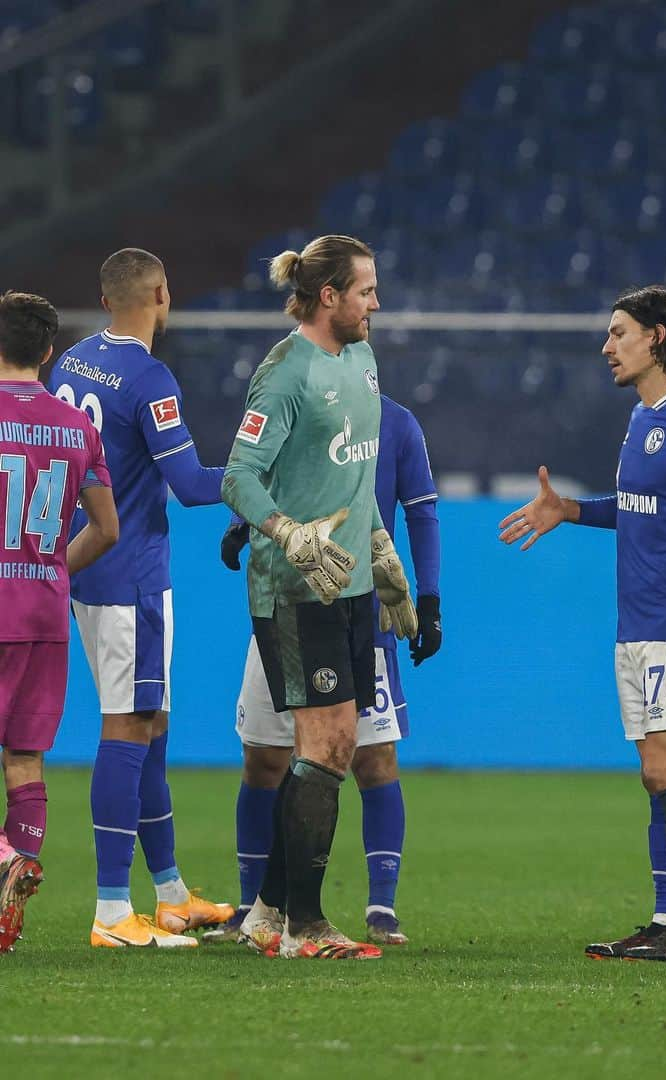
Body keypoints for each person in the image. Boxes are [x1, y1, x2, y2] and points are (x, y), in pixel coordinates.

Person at [501, 285, 666, 962]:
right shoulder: (642, 421)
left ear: (658, 337)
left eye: (619, 333)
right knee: (653, 773)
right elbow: (640, 507)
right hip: (637, 628)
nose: (607, 346)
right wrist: (571, 510)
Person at [222, 234, 417, 960]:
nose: (377, 303)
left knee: (327, 750)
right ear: (329, 295)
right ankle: (305, 925)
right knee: (329, 746)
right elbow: (238, 477)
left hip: (353, 585)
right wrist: (285, 532)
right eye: (366, 290)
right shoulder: (284, 372)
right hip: (294, 587)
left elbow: (357, 476)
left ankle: (269, 913)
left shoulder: (362, 359)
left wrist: (380, 552)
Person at [46, 249, 231, 948]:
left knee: (148, 724)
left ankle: (173, 895)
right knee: (127, 726)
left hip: (87, 566)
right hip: (130, 576)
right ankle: (112, 911)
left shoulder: (75, 360)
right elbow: (188, 484)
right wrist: (259, 468)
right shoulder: (149, 376)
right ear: (161, 292)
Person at [209, 393, 440, 947]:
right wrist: (244, 523)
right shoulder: (299, 406)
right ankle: (253, 908)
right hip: (284, 602)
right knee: (263, 758)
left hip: (361, 609)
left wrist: (428, 599)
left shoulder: (397, 424)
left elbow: (421, 510)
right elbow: (260, 475)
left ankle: (381, 907)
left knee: (372, 759)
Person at [0, 292, 118, 952]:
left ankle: (4, 864)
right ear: (49, 352)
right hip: (44, 607)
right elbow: (107, 528)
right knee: (24, 758)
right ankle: (6, 916)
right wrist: (52, 570)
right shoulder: (78, 427)